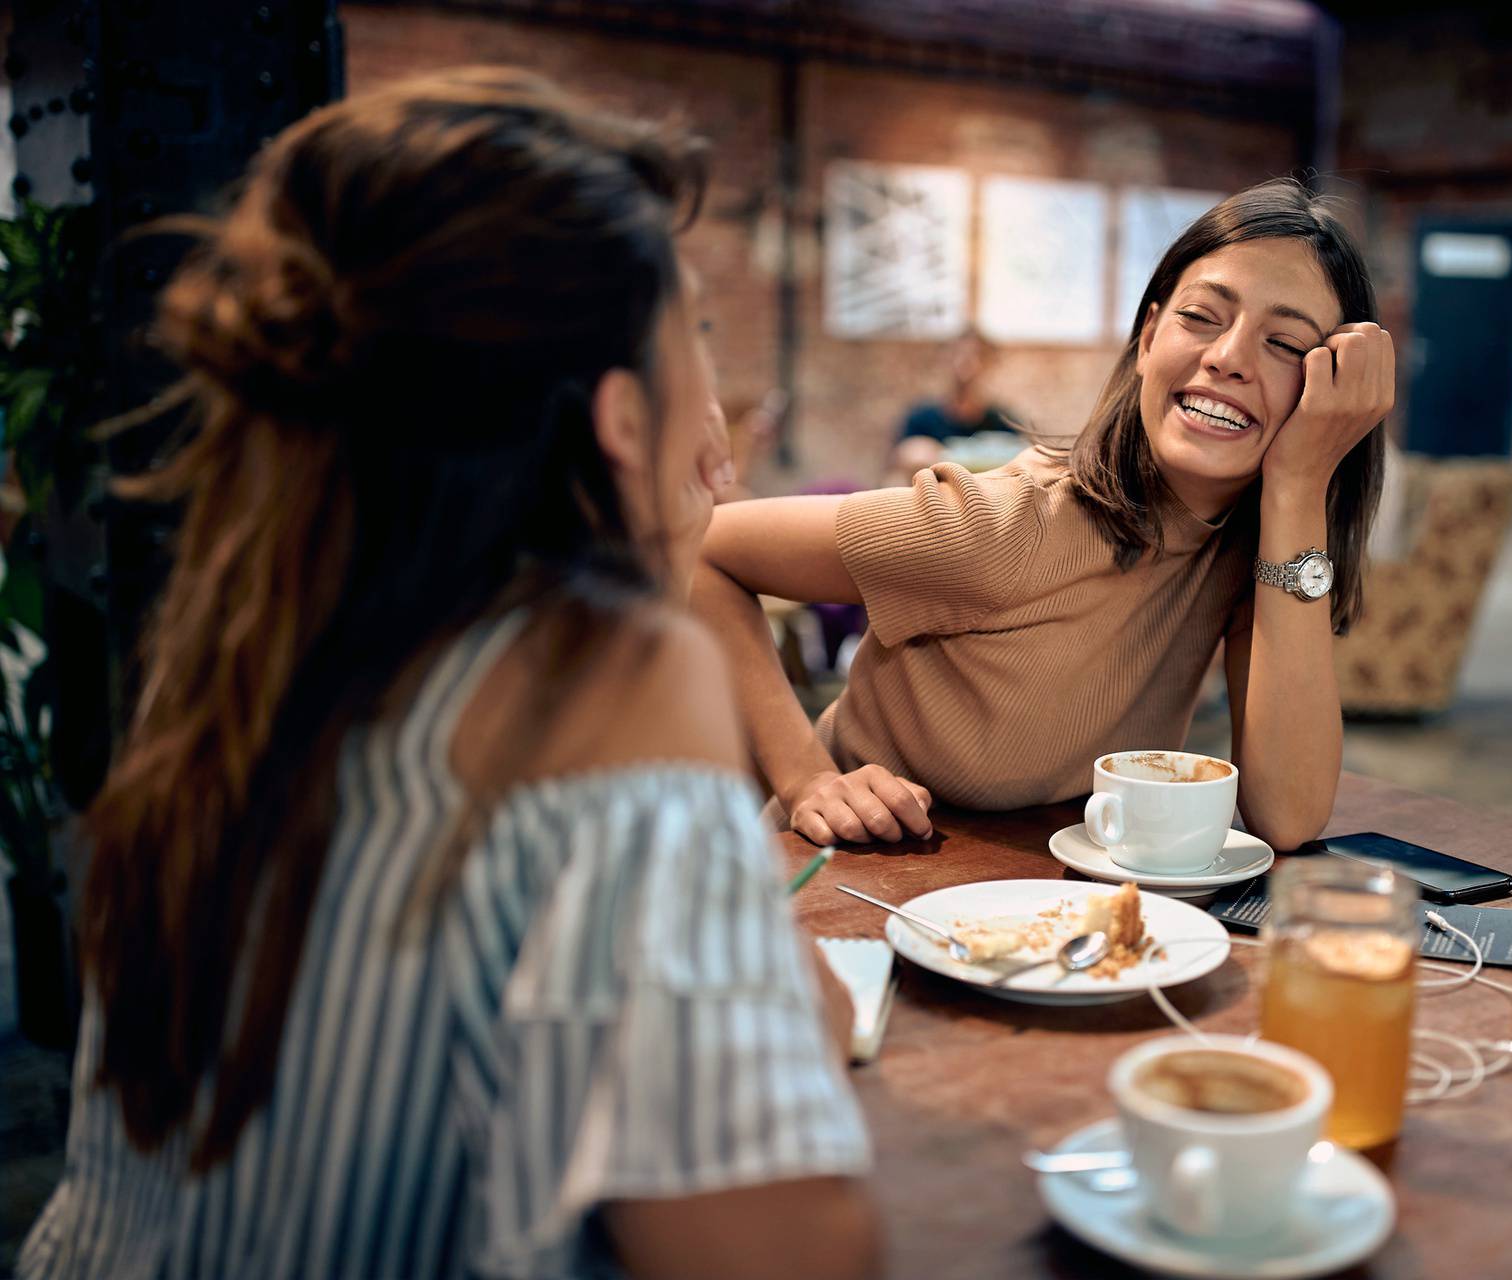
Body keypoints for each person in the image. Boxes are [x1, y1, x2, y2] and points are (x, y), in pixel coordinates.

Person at [21, 69, 879, 1280]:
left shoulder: (244, 630)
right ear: (619, 419)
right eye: (690, 328)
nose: (718, 387)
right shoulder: (619, 674)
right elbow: (791, 1251)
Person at [695, 179, 1392, 851]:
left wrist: (1300, 487)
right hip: (836, 887)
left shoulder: (1244, 553)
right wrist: (805, 777)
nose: (1228, 357)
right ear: (1149, 338)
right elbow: (700, 548)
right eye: (1201, 316)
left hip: (1013, 903)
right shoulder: (1008, 526)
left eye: (1286, 344)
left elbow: (1289, 814)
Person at [886, 329, 1018, 483]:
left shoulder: (1004, 422)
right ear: (945, 359)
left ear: (991, 363)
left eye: (978, 355)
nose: (967, 364)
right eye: (958, 354)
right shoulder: (920, 420)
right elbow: (896, 470)